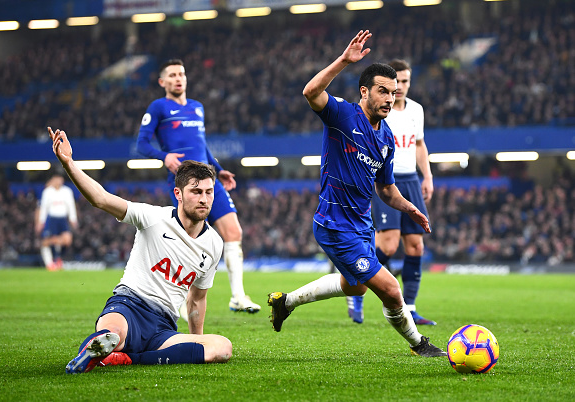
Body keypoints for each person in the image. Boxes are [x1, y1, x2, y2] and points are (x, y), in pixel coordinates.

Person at [267, 31, 446, 357]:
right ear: (364, 91)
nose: (390, 98)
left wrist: (409, 208)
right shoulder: (342, 115)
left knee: (356, 286)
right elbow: (310, 92)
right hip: (334, 224)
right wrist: (343, 61)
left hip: (362, 225)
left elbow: (386, 189)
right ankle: (419, 344)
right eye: (382, 91)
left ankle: (286, 302)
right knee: (391, 289)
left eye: (393, 92)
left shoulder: (387, 138)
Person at [47, 127, 232, 374]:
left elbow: (197, 299)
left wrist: (196, 342)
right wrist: (69, 163)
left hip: (164, 326)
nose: (204, 199)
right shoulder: (153, 217)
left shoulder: (214, 243)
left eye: (209, 192)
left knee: (222, 347)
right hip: (128, 306)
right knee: (112, 335)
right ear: (178, 193)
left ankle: (126, 359)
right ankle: (96, 354)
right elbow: (101, 199)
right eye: (196, 191)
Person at [136, 59, 260, 314]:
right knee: (189, 240)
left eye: (181, 74)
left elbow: (201, 144)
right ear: (162, 82)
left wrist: (218, 168)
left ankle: (238, 296)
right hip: (184, 180)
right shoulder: (158, 107)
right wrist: (164, 156)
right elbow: (142, 144)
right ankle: (181, 299)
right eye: (172, 75)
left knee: (233, 231)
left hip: (209, 179)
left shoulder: (197, 107)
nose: (178, 78)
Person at [347, 59, 436, 326]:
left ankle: (410, 307)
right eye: (398, 82)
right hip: (386, 181)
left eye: (406, 82)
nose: (402, 87)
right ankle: (355, 286)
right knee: (388, 244)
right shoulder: (381, 111)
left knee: (416, 245)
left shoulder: (416, 110)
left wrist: (427, 175)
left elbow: (419, 144)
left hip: (411, 179)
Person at [34, 174, 78, 271]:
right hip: (51, 219)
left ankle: (57, 258)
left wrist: (73, 218)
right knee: (47, 241)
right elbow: (44, 207)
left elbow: (71, 205)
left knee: (67, 240)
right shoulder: (47, 191)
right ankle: (49, 263)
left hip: (63, 218)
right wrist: (41, 221)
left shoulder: (67, 191)